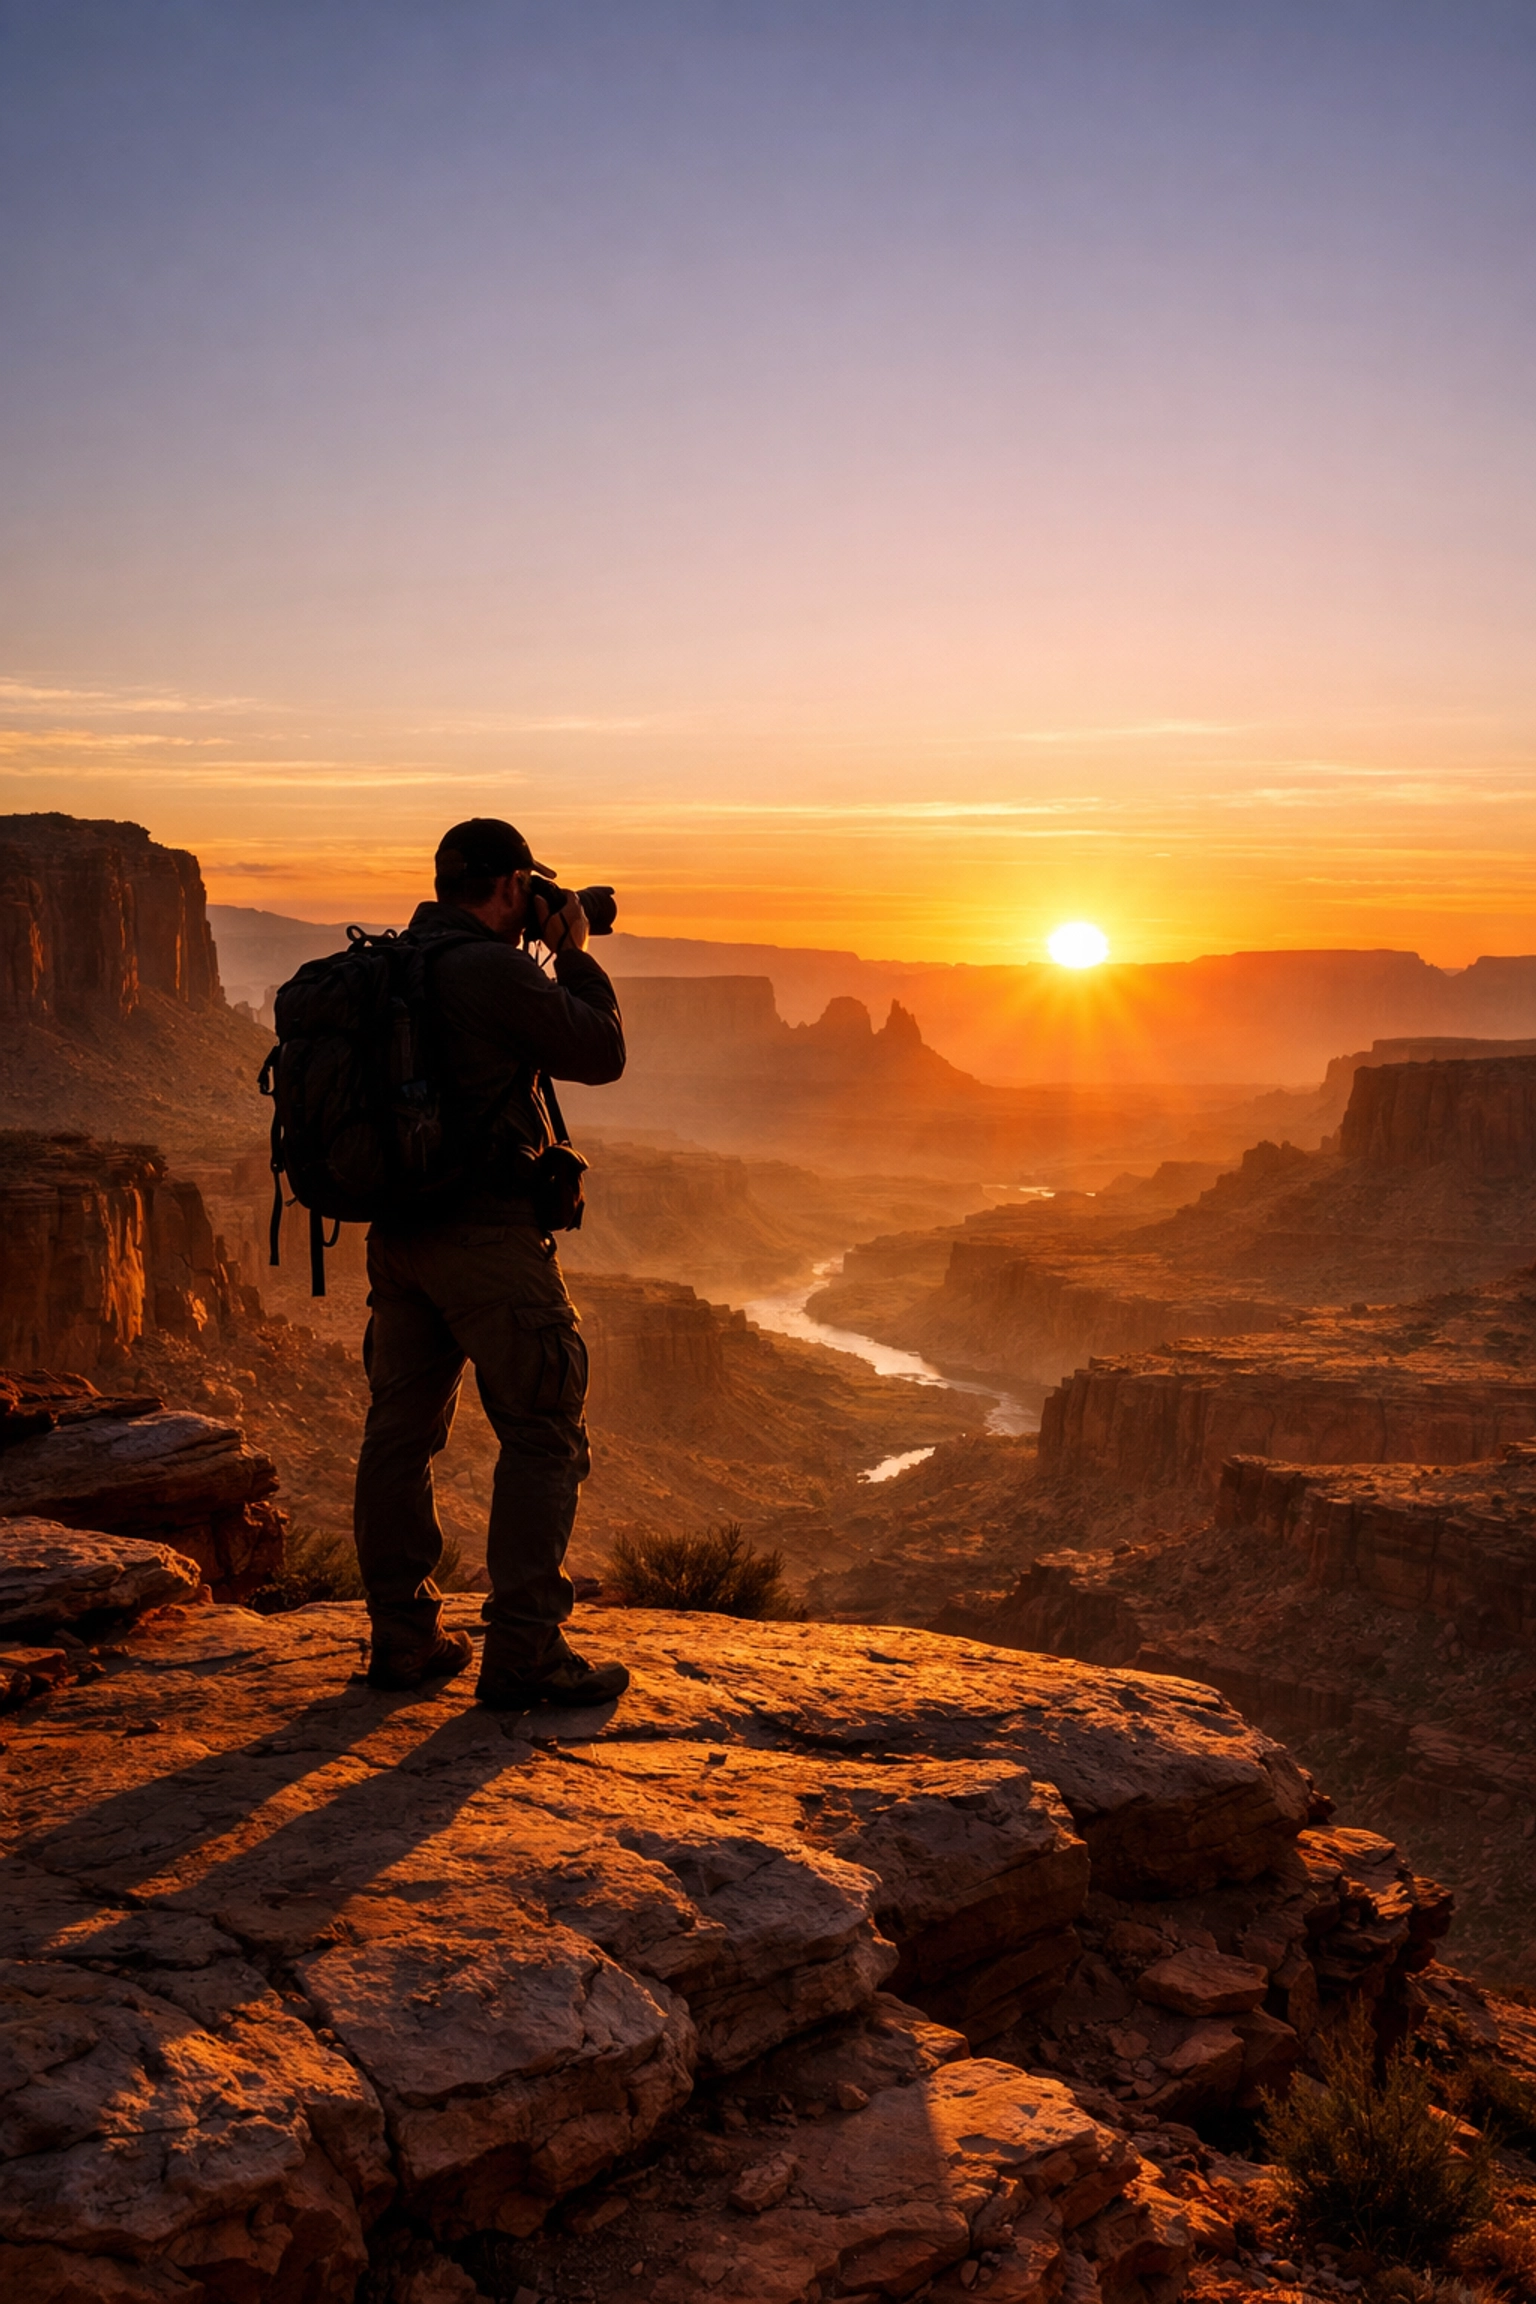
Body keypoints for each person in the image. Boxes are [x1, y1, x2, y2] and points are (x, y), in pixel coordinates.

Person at [351, 817, 630, 1710]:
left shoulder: (394, 964)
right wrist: (572, 947)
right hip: (485, 1243)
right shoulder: (491, 968)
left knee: (399, 1439)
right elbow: (602, 1052)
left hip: (398, 1240)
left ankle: (401, 1640)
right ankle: (525, 1656)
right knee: (544, 1432)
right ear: (512, 887)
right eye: (530, 889)